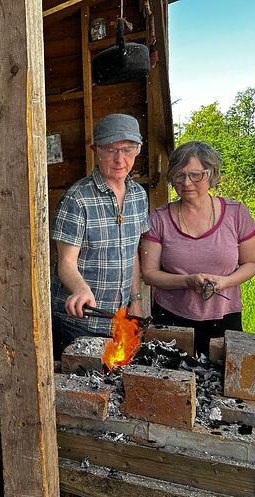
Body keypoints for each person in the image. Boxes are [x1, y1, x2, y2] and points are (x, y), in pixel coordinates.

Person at [140, 141, 255, 356]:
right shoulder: (159, 219)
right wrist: (186, 281)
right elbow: (149, 274)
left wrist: (225, 282)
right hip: (171, 318)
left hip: (224, 317)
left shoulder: (237, 214)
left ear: (211, 175)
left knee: (221, 382)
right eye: (179, 175)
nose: (187, 182)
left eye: (196, 175)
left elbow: (251, 263)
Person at [50, 113, 150, 358]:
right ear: (96, 151)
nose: (119, 159)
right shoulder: (76, 199)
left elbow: (132, 254)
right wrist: (81, 289)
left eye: (127, 149)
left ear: (137, 150)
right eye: (110, 149)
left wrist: (135, 300)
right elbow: (66, 262)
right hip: (78, 323)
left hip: (119, 321)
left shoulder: (138, 195)